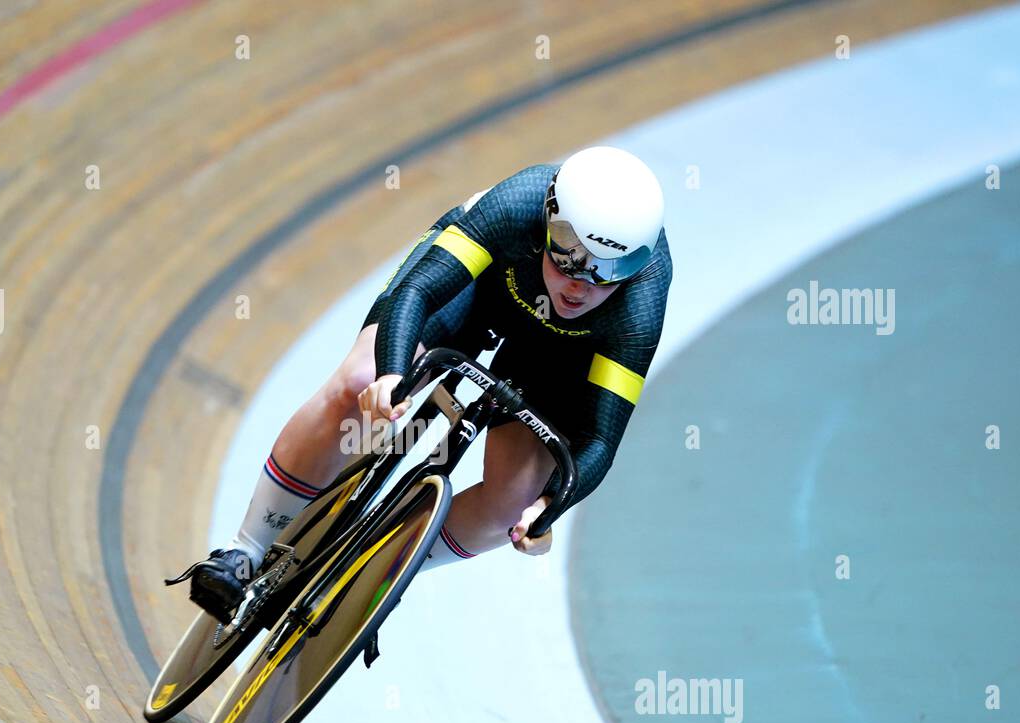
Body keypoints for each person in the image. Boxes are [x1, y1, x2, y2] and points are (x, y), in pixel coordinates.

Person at [181, 146, 671, 620]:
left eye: (609, 272)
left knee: (511, 508)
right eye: (567, 255)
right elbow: (419, 290)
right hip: (477, 287)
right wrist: (392, 373)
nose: (578, 285)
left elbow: (600, 437)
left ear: (637, 264)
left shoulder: (640, 305)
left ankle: (370, 577)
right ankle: (244, 551)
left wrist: (548, 507)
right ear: (547, 220)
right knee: (358, 383)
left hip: (559, 352)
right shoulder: (515, 206)